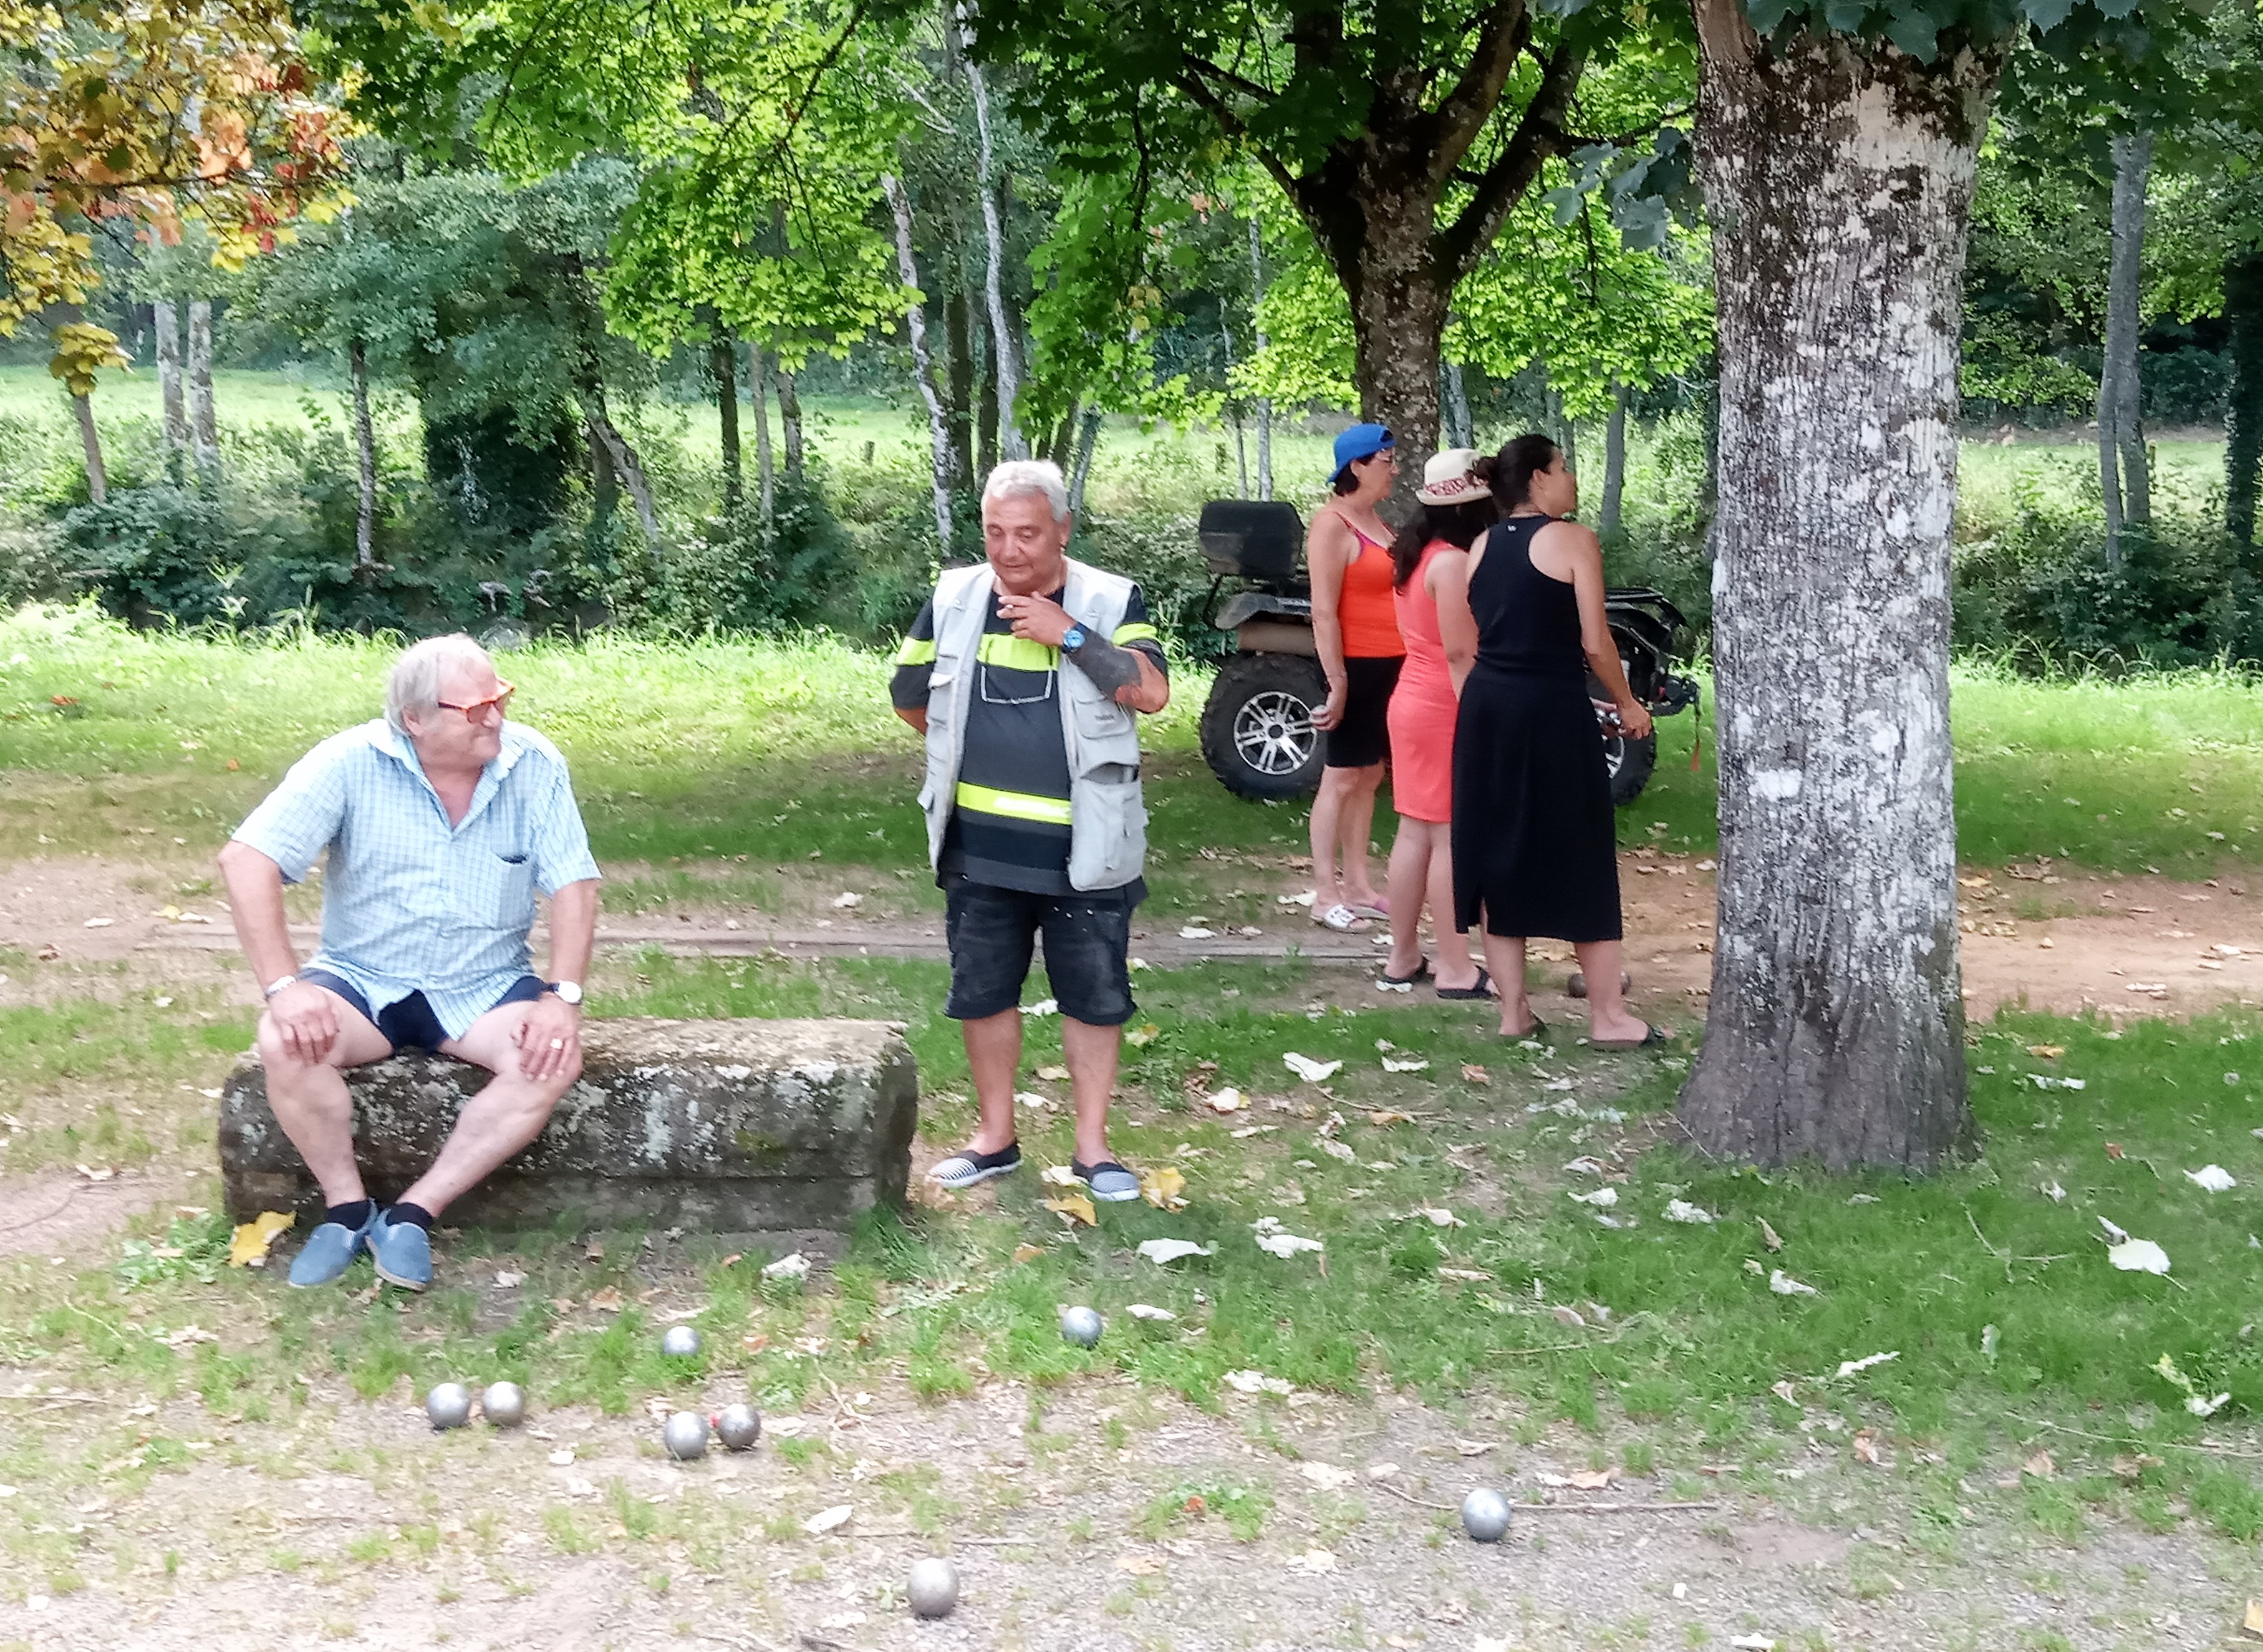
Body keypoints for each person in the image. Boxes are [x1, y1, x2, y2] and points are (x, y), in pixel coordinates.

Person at [218, 635, 601, 1291]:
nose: (496, 717)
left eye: (500, 698)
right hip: (363, 978)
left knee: (552, 1058)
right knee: (285, 1041)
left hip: (485, 984)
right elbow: (247, 859)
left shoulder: (534, 763)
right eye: (475, 707)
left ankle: (414, 1212)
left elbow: (574, 883)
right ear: (414, 720)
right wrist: (284, 986)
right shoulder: (347, 762)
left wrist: (561, 998)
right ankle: (346, 1209)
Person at [891, 459, 1170, 1204]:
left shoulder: (1110, 598)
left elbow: (1150, 692)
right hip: (978, 847)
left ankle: (1092, 1151)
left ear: (1063, 531)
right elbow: (909, 698)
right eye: (994, 532)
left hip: (1086, 847)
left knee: (1093, 997)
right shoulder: (954, 597)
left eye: (1026, 534)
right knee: (981, 995)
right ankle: (994, 1141)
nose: (1008, 550)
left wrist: (1068, 634)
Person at [1452, 435, 1660, 1046]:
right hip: (1548, 709)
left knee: (1496, 852)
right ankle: (1607, 1016)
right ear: (1538, 480)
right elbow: (1595, 642)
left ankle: (1513, 1012)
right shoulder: (1573, 539)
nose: (1570, 479)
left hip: (1488, 709)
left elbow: (1485, 637)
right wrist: (1626, 702)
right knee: (1579, 847)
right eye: (1563, 468)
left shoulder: (1481, 545)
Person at [1380, 448, 1493, 998]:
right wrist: (1481, 716)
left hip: (1410, 700)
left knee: (1414, 832)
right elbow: (1458, 653)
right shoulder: (1451, 563)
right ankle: (1455, 966)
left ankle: (1402, 955)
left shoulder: (1416, 552)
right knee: (1450, 836)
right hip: (1443, 705)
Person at [1306, 422, 1407, 932]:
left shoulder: (1378, 523)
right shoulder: (1332, 525)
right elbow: (1323, 611)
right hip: (1357, 665)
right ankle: (1325, 894)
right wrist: (1337, 681)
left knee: (1370, 775)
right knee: (1341, 776)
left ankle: (1359, 884)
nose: (1393, 468)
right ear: (1357, 466)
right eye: (1386, 459)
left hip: (1393, 663)